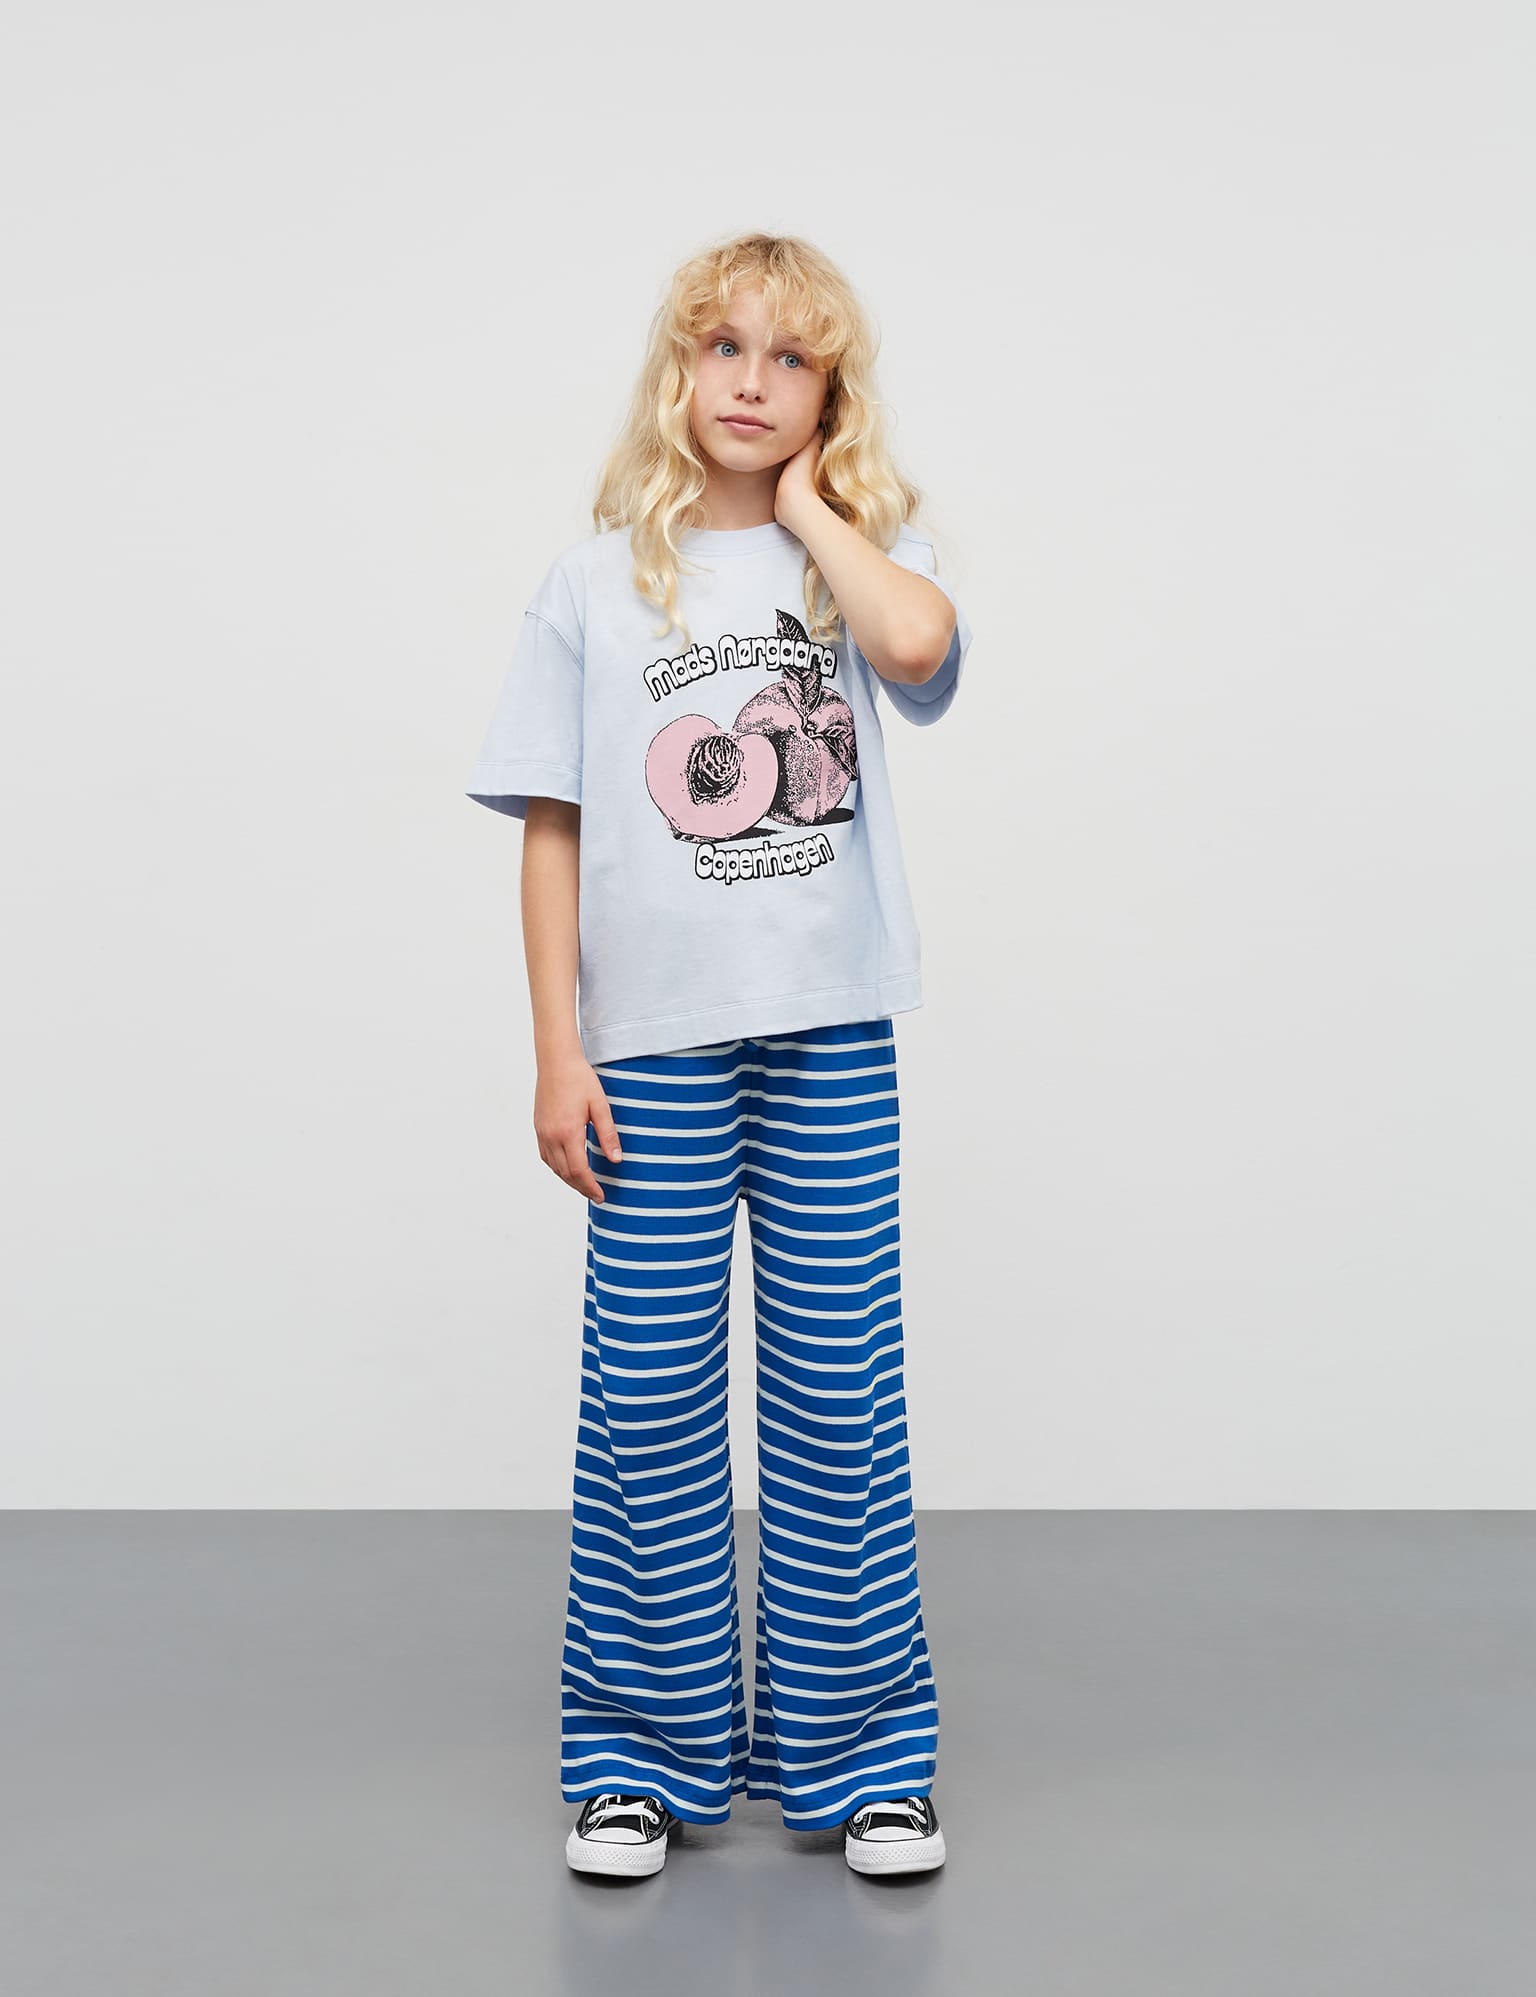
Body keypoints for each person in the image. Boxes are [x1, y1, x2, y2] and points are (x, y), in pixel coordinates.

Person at [466, 231, 972, 1880]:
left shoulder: (857, 563)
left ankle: (866, 1759)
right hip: (652, 1050)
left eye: (791, 357)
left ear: (833, 394)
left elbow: (918, 650)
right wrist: (558, 1050)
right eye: (723, 347)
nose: (751, 381)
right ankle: (640, 1758)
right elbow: (552, 828)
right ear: (678, 370)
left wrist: (818, 512)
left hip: (829, 1033)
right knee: (649, 1397)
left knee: (839, 1392)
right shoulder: (593, 582)